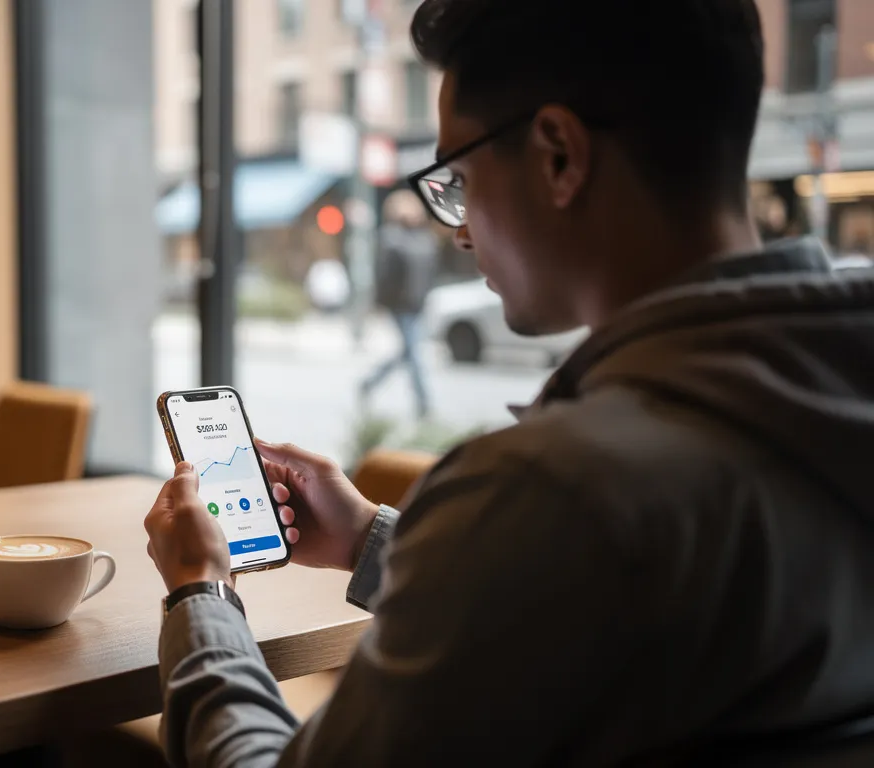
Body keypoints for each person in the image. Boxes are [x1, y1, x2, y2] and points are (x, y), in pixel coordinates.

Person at [142, 0, 874, 765]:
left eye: (457, 176)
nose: (457, 230)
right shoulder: (824, 408)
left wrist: (201, 595)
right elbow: (583, 613)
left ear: (559, 154)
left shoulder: (554, 491)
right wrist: (370, 540)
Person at [360, 189, 438, 418]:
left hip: (419, 304)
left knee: (407, 352)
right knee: (413, 354)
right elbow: (384, 276)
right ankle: (424, 403)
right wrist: (379, 303)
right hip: (401, 305)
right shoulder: (390, 237)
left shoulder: (425, 237)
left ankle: (369, 383)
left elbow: (430, 272)